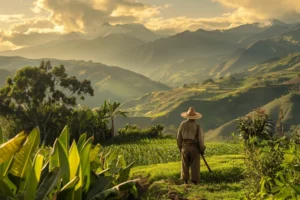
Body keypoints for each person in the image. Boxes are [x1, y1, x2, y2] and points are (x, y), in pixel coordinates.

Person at [177, 107, 205, 185]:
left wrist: (180, 147)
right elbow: (200, 139)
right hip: (194, 148)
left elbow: (179, 137)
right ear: (195, 117)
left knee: (184, 164)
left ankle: (185, 181)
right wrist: (202, 149)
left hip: (184, 147)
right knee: (195, 165)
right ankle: (194, 181)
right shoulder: (197, 126)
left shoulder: (182, 124)